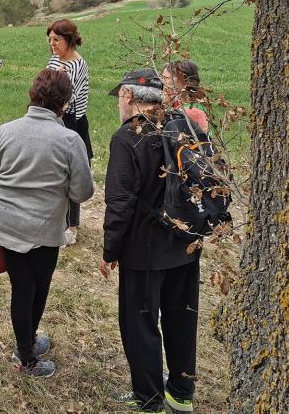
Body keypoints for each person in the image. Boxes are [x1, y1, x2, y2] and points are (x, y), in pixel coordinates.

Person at [101, 69, 200, 414]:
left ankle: (149, 398)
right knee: (182, 319)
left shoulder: (129, 137)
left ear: (128, 97)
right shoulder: (183, 126)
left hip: (144, 250)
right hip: (187, 244)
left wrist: (110, 250)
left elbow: (120, 202)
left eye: (119, 98)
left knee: (140, 324)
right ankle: (182, 393)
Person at [0, 69, 94, 378]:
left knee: (22, 287)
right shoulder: (69, 140)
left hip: (5, 226)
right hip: (44, 228)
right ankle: (26, 357)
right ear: (64, 103)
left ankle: (28, 344)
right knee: (35, 288)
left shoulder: (7, 129)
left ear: (33, 94)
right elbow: (82, 191)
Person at [45, 19, 92, 245]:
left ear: (70, 39)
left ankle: (72, 227)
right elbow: (47, 85)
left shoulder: (77, 63)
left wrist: (55, 81)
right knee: (55, 170)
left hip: (72, 122)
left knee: (72, 172)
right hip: (53, 118)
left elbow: (65, 98)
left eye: (57, 40)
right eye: (50, 40)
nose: (52, 44)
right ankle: (58, 219)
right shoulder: (55, 59)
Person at [162, 60, 208, 132]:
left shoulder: (191, 110)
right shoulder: (178, 103)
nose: (162, 82)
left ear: (183, 81)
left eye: (166, 78)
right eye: (162, 77)